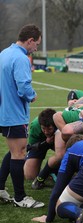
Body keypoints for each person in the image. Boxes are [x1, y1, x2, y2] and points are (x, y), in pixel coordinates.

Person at [0, 24, 44, 208]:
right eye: (37, 45)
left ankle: (0, 188)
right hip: (14, 114)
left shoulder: (4, 53)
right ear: (30, 40)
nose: (36, 48)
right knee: (19, 152)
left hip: (4, 111)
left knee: (13, 151)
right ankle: (20, 198)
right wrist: (32, 95)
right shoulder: (21, 58)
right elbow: (23, 87)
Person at [24, 109, 58, 189]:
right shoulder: (35, 125)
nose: (46, 132)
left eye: (49, 129)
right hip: (41, 143)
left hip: (58, 141)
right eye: (43, 129)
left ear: (55, 125)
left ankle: (53, 169)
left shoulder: (60, 122)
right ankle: (25, 161)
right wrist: (45, 142)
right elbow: (31, 147)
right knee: (30, 176)